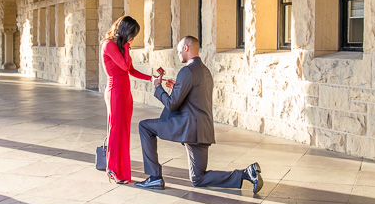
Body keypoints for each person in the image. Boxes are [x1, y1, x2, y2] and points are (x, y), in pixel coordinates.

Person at [135, 36, 263, 193]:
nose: (178, 54)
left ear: (186, 48)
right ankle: (246, 173)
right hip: (203, 129)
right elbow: (195, 96)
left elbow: (171, 104)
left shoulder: (187, 70)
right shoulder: (205, 71)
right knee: (198, 178)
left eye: (179, 50)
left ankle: (154, 178)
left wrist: (158, 87)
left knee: (144, 127)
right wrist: (177, 87)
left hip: (188, 127)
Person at [101, 16, 153, 184]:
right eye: (132, 34)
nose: (133, 38)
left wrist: (152, 79)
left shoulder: (120, 47)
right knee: (115, 131)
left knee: (123, 132)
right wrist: (126, 45)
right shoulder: (109, 45)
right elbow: (124, 66)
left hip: (125, 93)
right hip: (115, 92)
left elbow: (130, 70)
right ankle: (113, 170)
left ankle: (121, 169)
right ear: (124, 31)